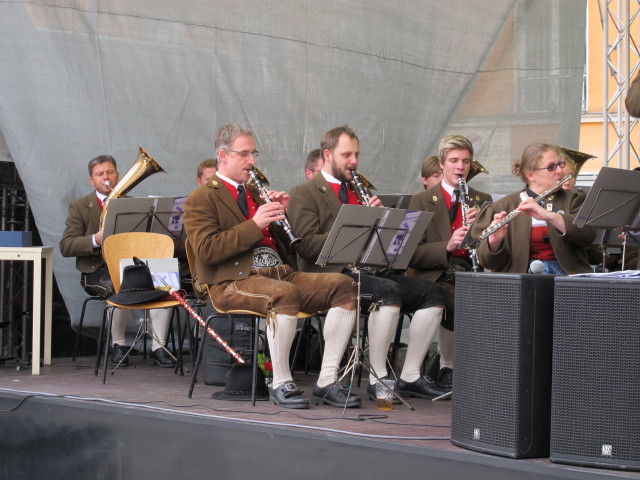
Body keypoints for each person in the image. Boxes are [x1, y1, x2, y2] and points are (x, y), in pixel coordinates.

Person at [183, 123, 360, 409]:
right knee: (284, 294)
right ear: (223, 156)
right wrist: (254, 224)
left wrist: (281, 217)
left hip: (280, 272)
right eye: (244, 154)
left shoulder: (253, 191)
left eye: (254, 153)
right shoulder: (202, 198)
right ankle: (280, 381)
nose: (252, 161)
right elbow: (207, 250)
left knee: (344, 286)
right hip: (232, 281)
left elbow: (283, 244)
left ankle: (327, 381)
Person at [288, 125, 448, 401]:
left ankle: (410, 376)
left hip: (368, 272)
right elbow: (306, 244)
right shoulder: (305, 192)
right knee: (387, 291)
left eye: (357, 155)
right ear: (327, 155)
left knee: (432, 293)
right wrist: (355, 226)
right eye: (347, 155)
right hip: (328, 275)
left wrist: (383, 224)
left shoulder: (359, 189)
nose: (354, 161)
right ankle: (375, 378)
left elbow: (381, 245)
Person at [60, 155, 175, 368]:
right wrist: (96, 239)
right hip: (98, 270)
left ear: (118, 175)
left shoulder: (134, 205)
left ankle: (159, 346)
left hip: (130, 264)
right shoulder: (79, 207)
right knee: (120, 283)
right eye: (100, 174)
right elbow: (66, 246)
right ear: (91, 180)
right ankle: (119, 345)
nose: (106, 178)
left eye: (110, 173)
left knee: (164, 278)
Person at [407, 135, 493, 390]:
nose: (460, 167)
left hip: (470, 271)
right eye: (454, 160)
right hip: (435, 273)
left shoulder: (481, 198)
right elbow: (410, 253)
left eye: (466, 161)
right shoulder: (421, 200)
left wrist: (484, 232)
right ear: (442, 164)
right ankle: (448, 368)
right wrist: (447, 245)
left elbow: (490, 252)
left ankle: (484, 368)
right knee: (456, 297)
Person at [472, 143, 596, 274]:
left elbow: (588, 235)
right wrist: (493, 243)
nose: (560, 171)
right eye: (551, 167)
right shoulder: (501, 207)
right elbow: (488, 262)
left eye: (560, 164)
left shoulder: (575, 199)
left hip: (567, 280)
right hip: (521, 285)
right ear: (530, 175)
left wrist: (549, 216)